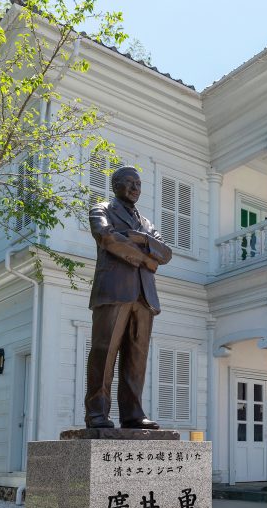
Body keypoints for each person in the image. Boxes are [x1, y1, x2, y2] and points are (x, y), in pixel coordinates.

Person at [85, 165, 172, 429]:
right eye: (129, 182)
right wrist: (147, 259)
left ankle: (133, 414)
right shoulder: (101, 210)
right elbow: (108, 238)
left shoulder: (146, 224)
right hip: (114, 290)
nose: (136, 188)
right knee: (105, 351)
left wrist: (138, 238)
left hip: (144, 297)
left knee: (137, 357)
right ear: (115, 185)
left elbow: (165, 253)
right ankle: (97, 414)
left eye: (139, 184)